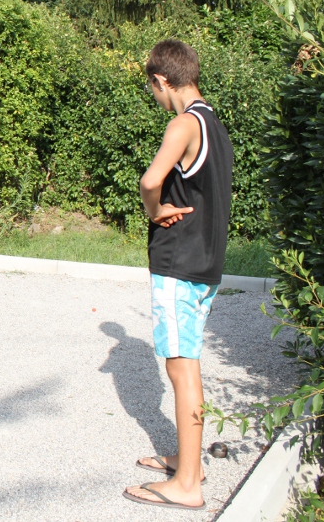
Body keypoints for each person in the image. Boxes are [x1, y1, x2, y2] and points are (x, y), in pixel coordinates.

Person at [123, 40, 233, 511]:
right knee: (185, 361)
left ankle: (188, 484)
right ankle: (188, 461)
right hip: (206, 263)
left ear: (162, 81)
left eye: (154, 88)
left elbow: (150, 181)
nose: (155, 96)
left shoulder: (182, 122)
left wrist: (155, 208)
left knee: (181, 366)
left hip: (178, 263)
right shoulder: (214, 123)